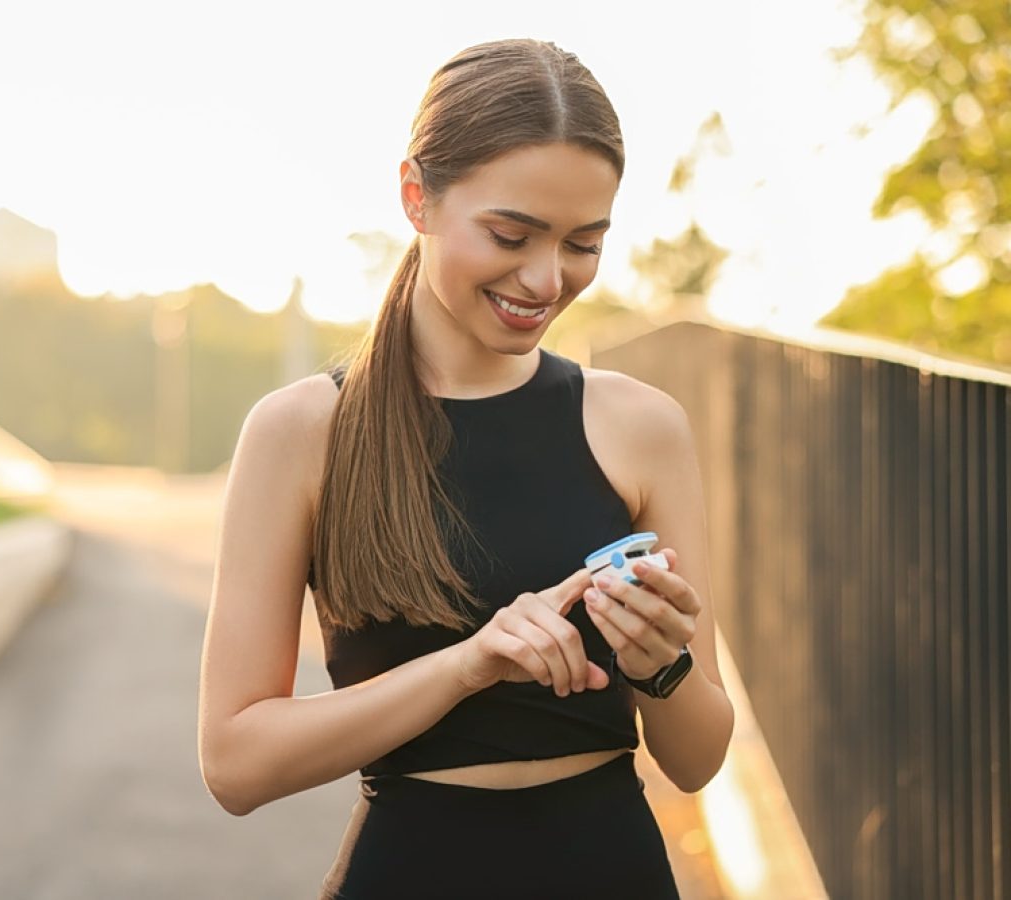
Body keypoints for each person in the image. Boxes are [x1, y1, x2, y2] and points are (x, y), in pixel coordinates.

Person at [197, 37, 735, 899]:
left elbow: (698, 760)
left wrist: (662, 664)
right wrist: (467, 664)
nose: (545, 278)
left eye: (582, 244)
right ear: (417, 195)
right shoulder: (302, 432)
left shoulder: (642, 424)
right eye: (512, 234)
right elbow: (235, 763)